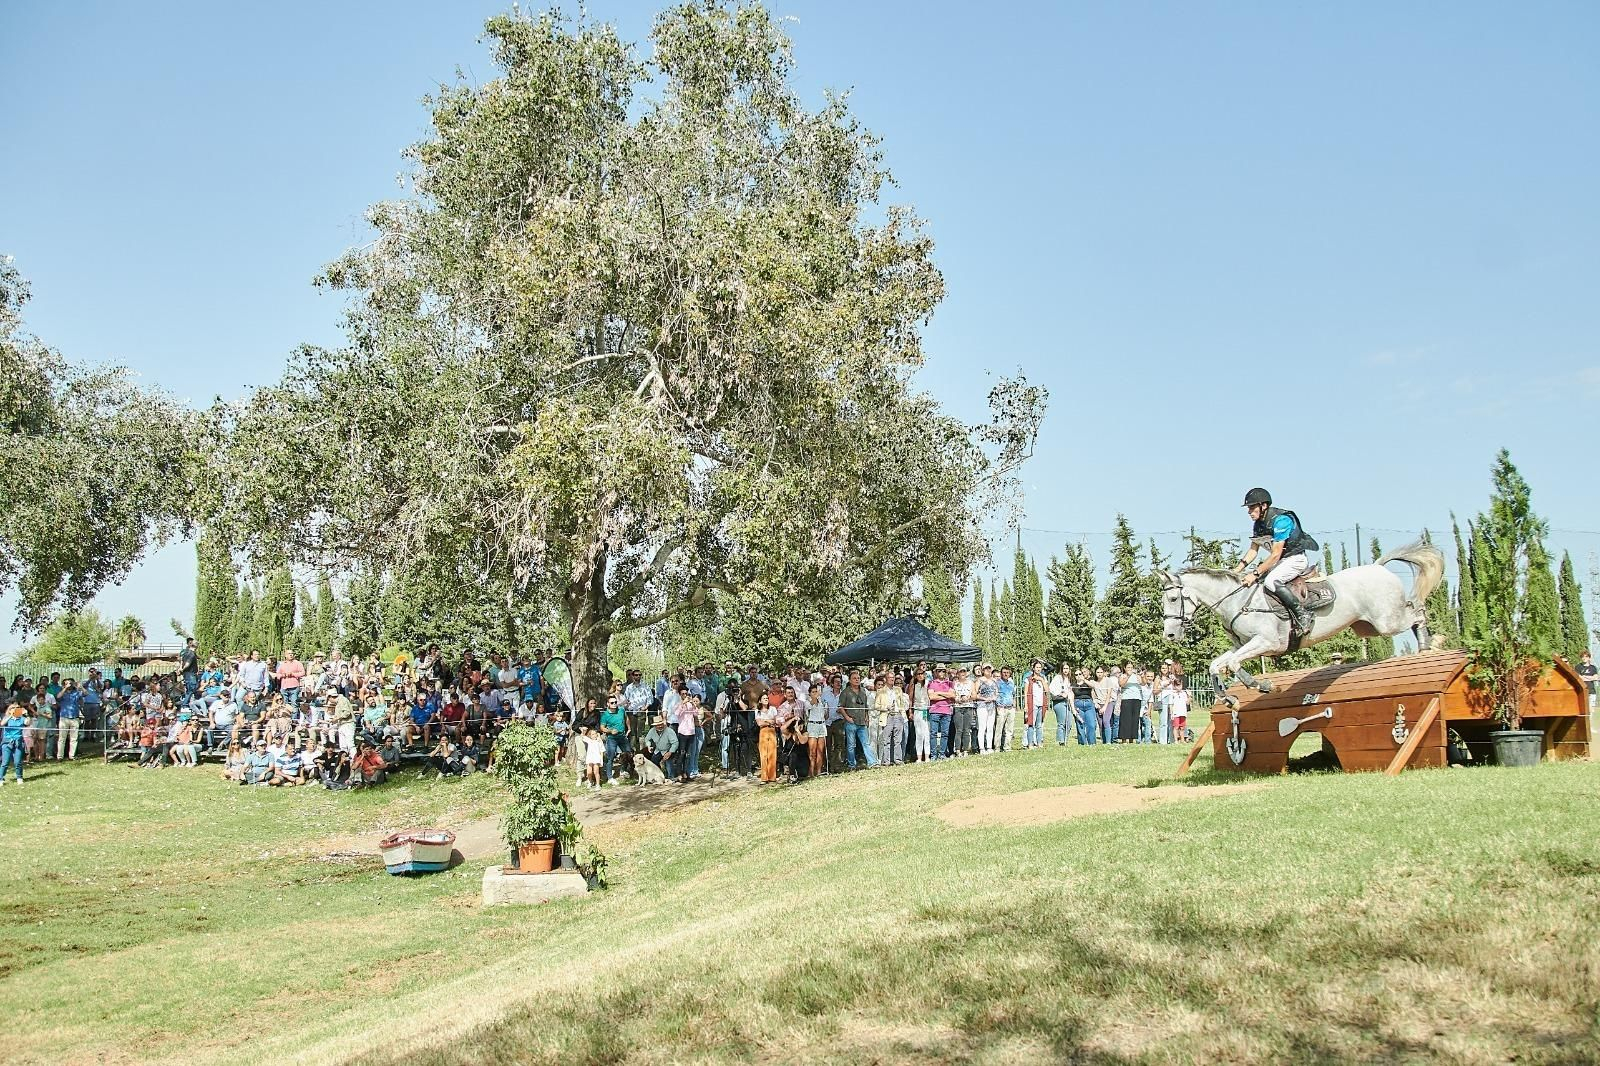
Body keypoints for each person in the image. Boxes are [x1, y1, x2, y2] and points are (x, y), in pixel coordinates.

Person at [1237, 487, 1320, 636]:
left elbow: (1275, 555)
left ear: (1263, 506)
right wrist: (1236, 570)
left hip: (1295, 559)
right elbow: (1253, 551)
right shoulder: (1259, 524)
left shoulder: (1281, 520)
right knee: (1259, 584)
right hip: (1282, 561)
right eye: (1249, 508)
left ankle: (1303, 614)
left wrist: (1254, 573)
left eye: (1252, 507)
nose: (1249, 511)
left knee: (1271, 581)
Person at [839, 670, 875, 770]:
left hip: (862, 722)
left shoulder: (864, 691)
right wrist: (847, 718)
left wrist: (867, 717)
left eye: (858, 678)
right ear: (850, 680)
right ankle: (851, 765)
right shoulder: (845, 692)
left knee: (866, 743)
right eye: (854, 678)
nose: (857, 680)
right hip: (851, 722)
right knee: (851, 745)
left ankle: (872, 762)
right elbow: (840, 707)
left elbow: (866, 706)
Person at [643, 714, 679, 780]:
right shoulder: (652, 731)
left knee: (669, 764)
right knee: (653, 762)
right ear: (655, 726)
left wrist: (670, 752)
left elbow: (675, 743)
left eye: (661, 724)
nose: (660, 726)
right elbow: (647, 739)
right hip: (658, 750)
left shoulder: (669, 731)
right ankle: (658, 776)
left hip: (669, 750)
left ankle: (672, 777)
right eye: (658, 725)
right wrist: (649, 746)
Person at [1023, 661, 1049, 750]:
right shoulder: (1028, 679)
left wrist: (1041, 680)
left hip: (1041, 704)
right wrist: (1026, 705)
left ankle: (1039, 743)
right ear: (1033, 668)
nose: (1038, 669)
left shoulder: (1043, 678)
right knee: (1031, 724)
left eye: (1040, 667)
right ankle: (1030, 743)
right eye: (1037, 667)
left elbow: (1047, 690)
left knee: (1039, 725)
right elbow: (1026, 693)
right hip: (1032, 704)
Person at [55, 679, 83, 761]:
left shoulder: (76, 693)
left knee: (74, 738)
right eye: (67, 683)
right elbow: (58, 697)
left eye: (70, 683)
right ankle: (60, 756)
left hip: (75, 717)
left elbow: (85, 694)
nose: (69, 685)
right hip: (64, 718)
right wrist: (65, 688)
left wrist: (80, 687)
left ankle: (72, 756)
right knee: (61, 738)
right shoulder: (62, 693)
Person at [1, 702, 28, 785]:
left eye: (18, 708)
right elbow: (2, 724)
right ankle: (1, 779)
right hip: (7, 742)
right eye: (14, 708)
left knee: (18, 762)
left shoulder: (22, 718)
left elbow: (28, 723)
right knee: (5, 762)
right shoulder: (6, 718)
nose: (16, 709)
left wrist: (26, 715)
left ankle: (19, 777)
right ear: (10, 710)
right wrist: (10, 715)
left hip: (18, 743)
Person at [754, 692, 779, 784]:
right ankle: (764, 777)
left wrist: (765, 720)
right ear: (760, 700)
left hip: (772, 732)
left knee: (772, 753)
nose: (766, 699)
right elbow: (759, 723)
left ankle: (772, 776)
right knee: (763, 754)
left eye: (767, 698)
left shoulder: (772, 709)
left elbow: (775, 721)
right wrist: (769, 721)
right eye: (764, 698)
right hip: (763, 732)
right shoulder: (757, 711)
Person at [974, 665, 999, 754]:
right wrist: (984, 699)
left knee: (990, 727)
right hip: (982, 705)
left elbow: (997, 692)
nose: (988, 670)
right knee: (982, 727)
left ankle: (989, 746)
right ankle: (981, 748)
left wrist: (993, 698)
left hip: (991, 705)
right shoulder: (979, 681)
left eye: (989, 669)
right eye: (986, 669)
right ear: (983, 670)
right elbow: (974, 694)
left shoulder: (994, 681)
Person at [1048, 663, 1072, 747]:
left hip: (1067, 702)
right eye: (1064, 668)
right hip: (1059, 702)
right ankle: (1061, 741)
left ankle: (1065, 740)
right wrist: (1060, 693)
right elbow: (1051, 688)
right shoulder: (1057, 678)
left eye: (1067, 668)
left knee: (1069, 723)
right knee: (1061, 722)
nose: (1066, 670)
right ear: (1061, 669)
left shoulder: (1068, 679)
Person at [994, 667, 1017, 753]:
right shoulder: (998, 683)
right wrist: (998, 706)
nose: (1006, 674)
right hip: (1001, 708)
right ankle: (997, 747)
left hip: (1010, 708)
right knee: (999, 729)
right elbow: (995, 694)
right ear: (1001, 673)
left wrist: (1014, 706)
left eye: (1007, 672)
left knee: (1009, 729)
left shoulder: (1011, 683)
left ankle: (1007, 746)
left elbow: (1013, 695)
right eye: (1004, 672)